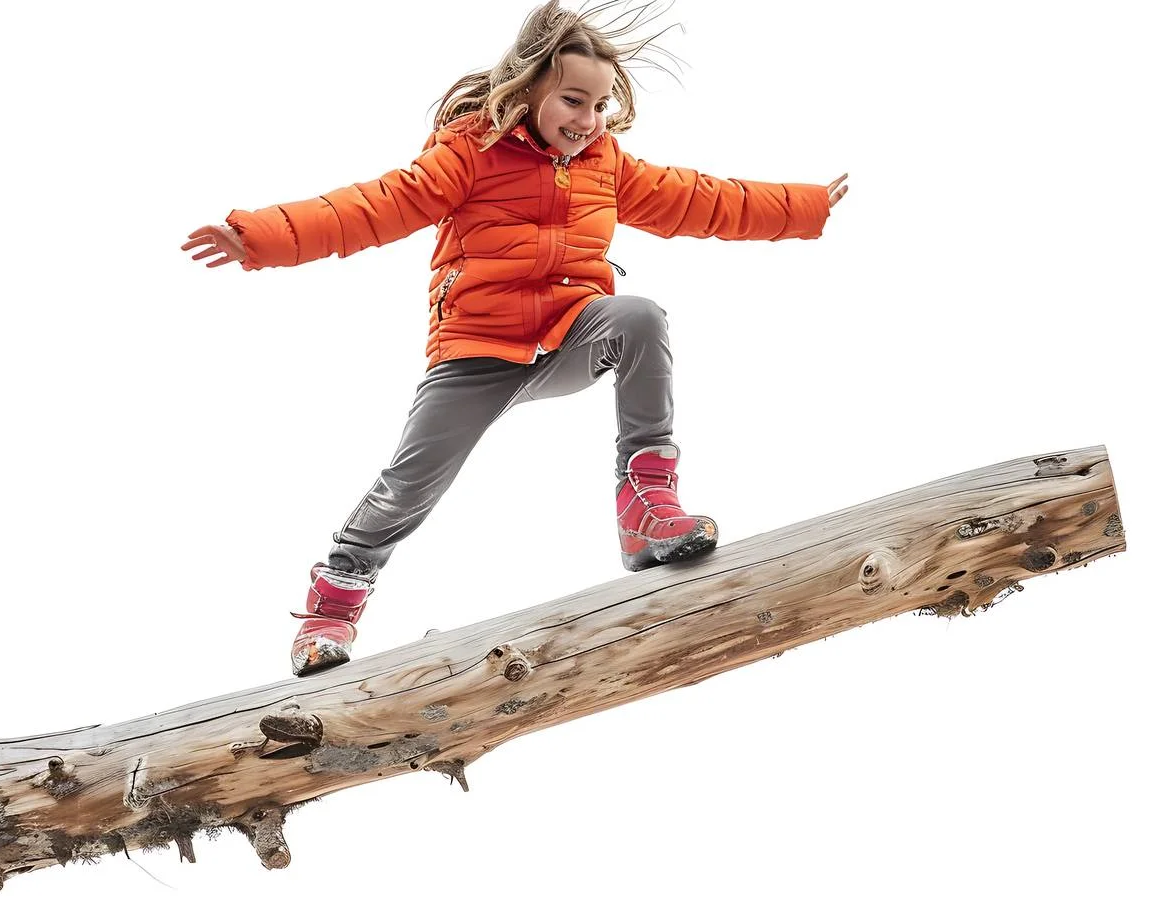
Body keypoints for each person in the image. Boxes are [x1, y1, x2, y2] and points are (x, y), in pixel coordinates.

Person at [179, 0, 849, 677]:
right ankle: (331, 609)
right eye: (572, 99)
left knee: (639, 316)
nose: (586, 119)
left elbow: (703, 199)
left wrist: (807, 205)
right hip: (475, 352)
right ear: (529, 87)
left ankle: (646, 506)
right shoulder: (467, 155)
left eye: (600, 105)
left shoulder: (604, 164)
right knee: (407, 485)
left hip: (567, 334)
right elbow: (372, 207)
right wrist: (259, 237)